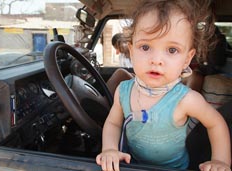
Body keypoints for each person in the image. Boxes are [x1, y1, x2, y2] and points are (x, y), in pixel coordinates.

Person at [96, 0, 231, 171]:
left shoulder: (186, 99)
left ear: (187, 59)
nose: (156, 60)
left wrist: (221, 161)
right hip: (133, 164)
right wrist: (109, 149)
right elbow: (114, 123)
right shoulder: (123, 91)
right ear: (131, 51)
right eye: (145, 47)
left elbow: (216, 123)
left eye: (172, 50)